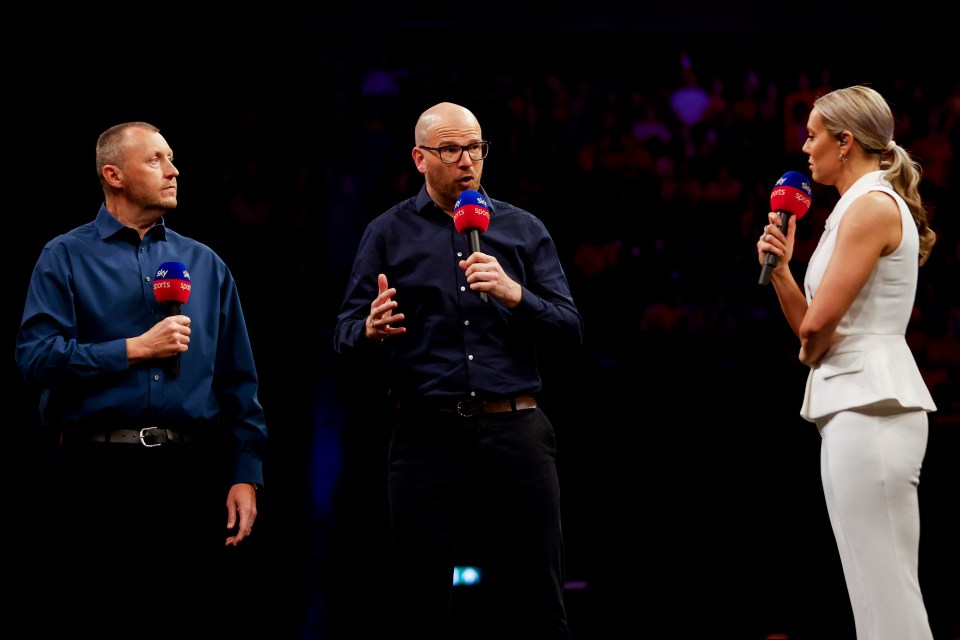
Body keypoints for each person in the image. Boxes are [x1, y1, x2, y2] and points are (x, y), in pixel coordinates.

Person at [334, 102, 583, 639]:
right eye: (451, 149)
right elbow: (345, 335)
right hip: (427, 431)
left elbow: (569, 328)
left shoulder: (522, 228)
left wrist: (518, 295)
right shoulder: (386, 232)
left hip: (515, 427)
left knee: (539, 601)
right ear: (420, 158)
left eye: (475, 147)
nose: (467, 160)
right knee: (421, 605)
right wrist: (370, 329)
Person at [15, 121, 268, 639]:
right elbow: (36, 359)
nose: (173, 170)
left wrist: (246, 471)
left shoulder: (207, 265)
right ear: (114, 175)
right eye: (155, 160)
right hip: (95, 471)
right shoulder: (63, 257)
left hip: (189, 474)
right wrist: (134, 350)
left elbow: (239, 381)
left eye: (171, 158)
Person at [757, 85, 937, 640]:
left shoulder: (871, 207)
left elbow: (815, 331)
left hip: (872, 405)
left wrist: (813, 344)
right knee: (871, 586)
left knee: (886, 590)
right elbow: (812, 328)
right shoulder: (853, 208)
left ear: (844, 141)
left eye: (812, 136)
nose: (804, 149)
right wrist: (784, 271)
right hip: (855, 403)